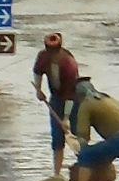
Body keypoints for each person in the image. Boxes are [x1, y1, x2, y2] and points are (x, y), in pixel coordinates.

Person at [31, 31, 84, 167]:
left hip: (74, 99)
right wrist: (38, 89)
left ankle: (84, 165)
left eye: (55, 52)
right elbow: (37, 72)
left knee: (77, 135)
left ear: (60, 49)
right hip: (55, 98)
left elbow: (70, 94)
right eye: (50, 52)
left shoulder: (69, 65)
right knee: (57, 137)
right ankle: (57, 172)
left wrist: (66, 118)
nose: (53, 56)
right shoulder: (43, 56)